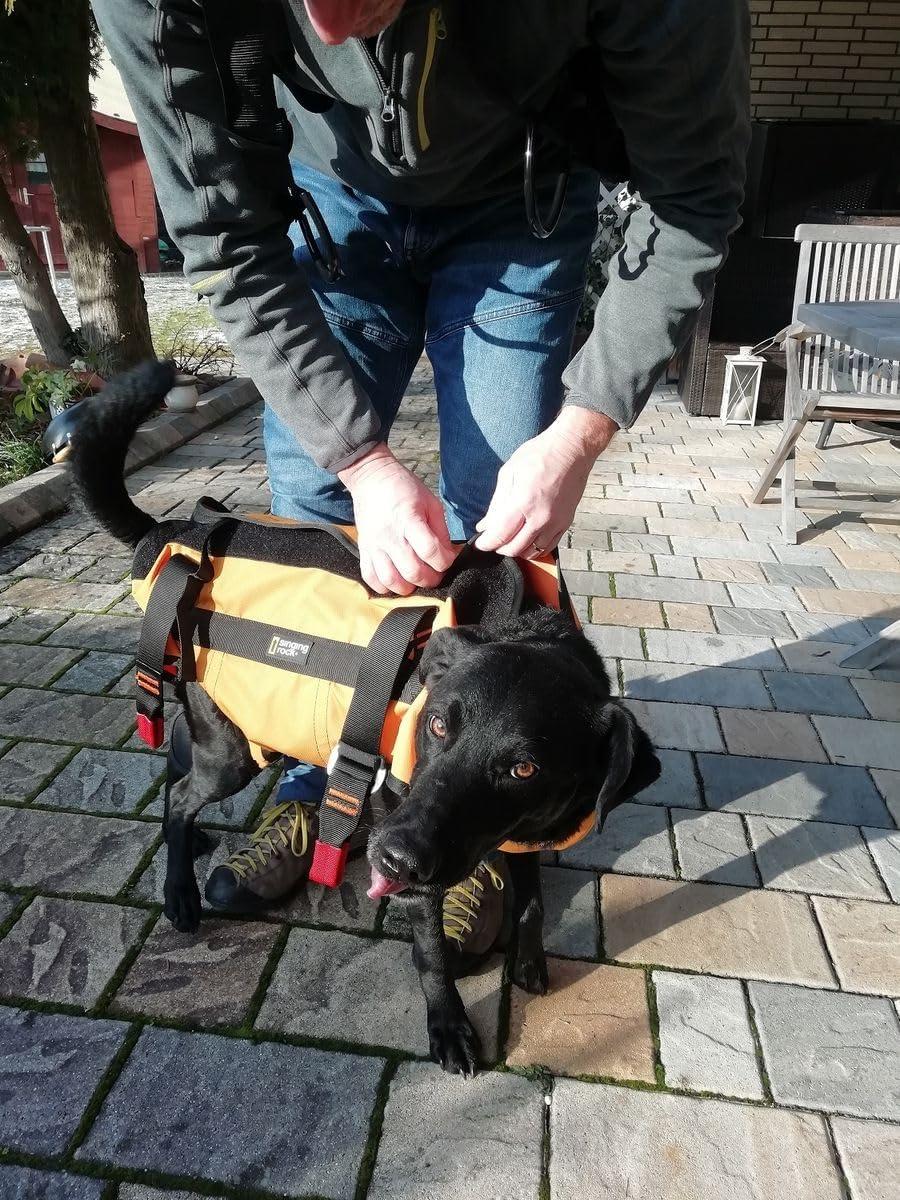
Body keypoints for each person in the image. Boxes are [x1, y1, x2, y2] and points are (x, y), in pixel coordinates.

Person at [92, 0, 750, 916]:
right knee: (320, 523)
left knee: (498, 548)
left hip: (521, 201)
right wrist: (361, 461)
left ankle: (480, 826)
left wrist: (582, 426)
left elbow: (696, 198)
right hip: (323, 197)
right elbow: (220, 236)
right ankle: (316, 778)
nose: (324, 35)